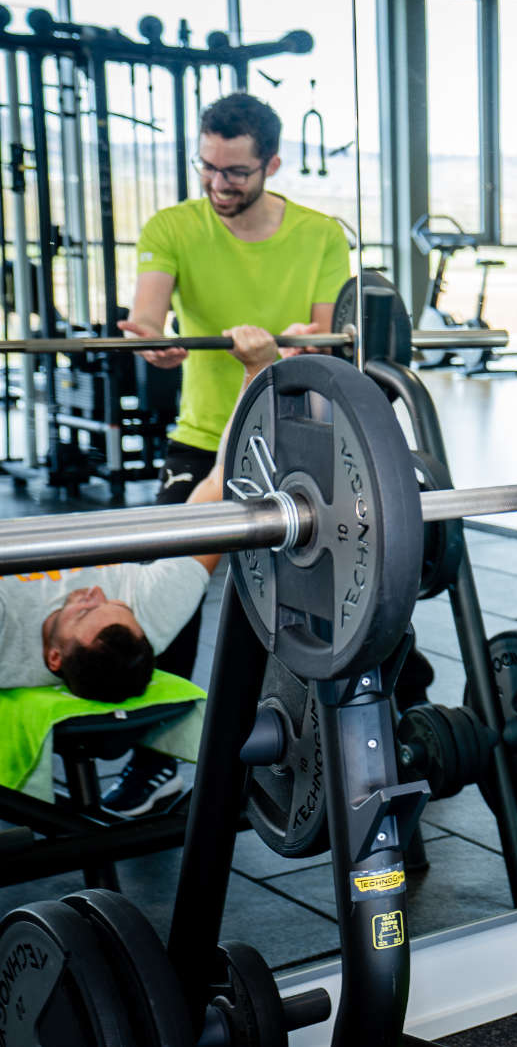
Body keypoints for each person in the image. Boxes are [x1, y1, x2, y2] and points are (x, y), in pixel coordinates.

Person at [111, 92, 348, 811]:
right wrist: (151, 339)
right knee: (163, 587)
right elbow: (147, 313)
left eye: (237, 171)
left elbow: (327, 333)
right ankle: (157, 754)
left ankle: (385, 717)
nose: (219, 184)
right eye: (208, 167)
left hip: (301, 432)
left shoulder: (319, 234)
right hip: (205, 435)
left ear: (271, 164)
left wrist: (281, 350)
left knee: (350, 593)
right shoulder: (173, 225)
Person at [0, 327, 279, 814]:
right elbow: (221, 486)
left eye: (86, 610)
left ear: (53, 659)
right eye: (111, 604)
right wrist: (259, 370)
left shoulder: (6, 632)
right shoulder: (149, 611)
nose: (93, 592)